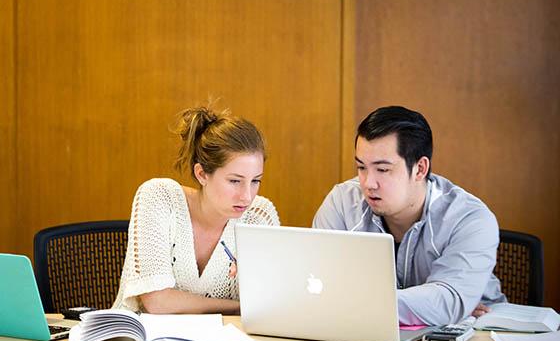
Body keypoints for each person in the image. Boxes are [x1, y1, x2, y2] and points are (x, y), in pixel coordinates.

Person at [313, 106, 506, 326]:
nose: (368, 183)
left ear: (420, 169)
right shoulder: (341, 202)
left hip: (476, 337)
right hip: (372, 334)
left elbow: (447, 303)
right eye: (361, 167)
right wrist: (427, 307)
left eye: (383, 170)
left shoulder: (470, 219)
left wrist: (446, 306)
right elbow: (317, 284)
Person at [113, 105, 280, 314]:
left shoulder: (259, 216)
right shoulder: (159, 197)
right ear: (202, 174)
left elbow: (271, 303)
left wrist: (256, 284)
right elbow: (157, 301)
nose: (247, 196)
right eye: (235, 181)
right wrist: (238, 307)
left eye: (255, 181)